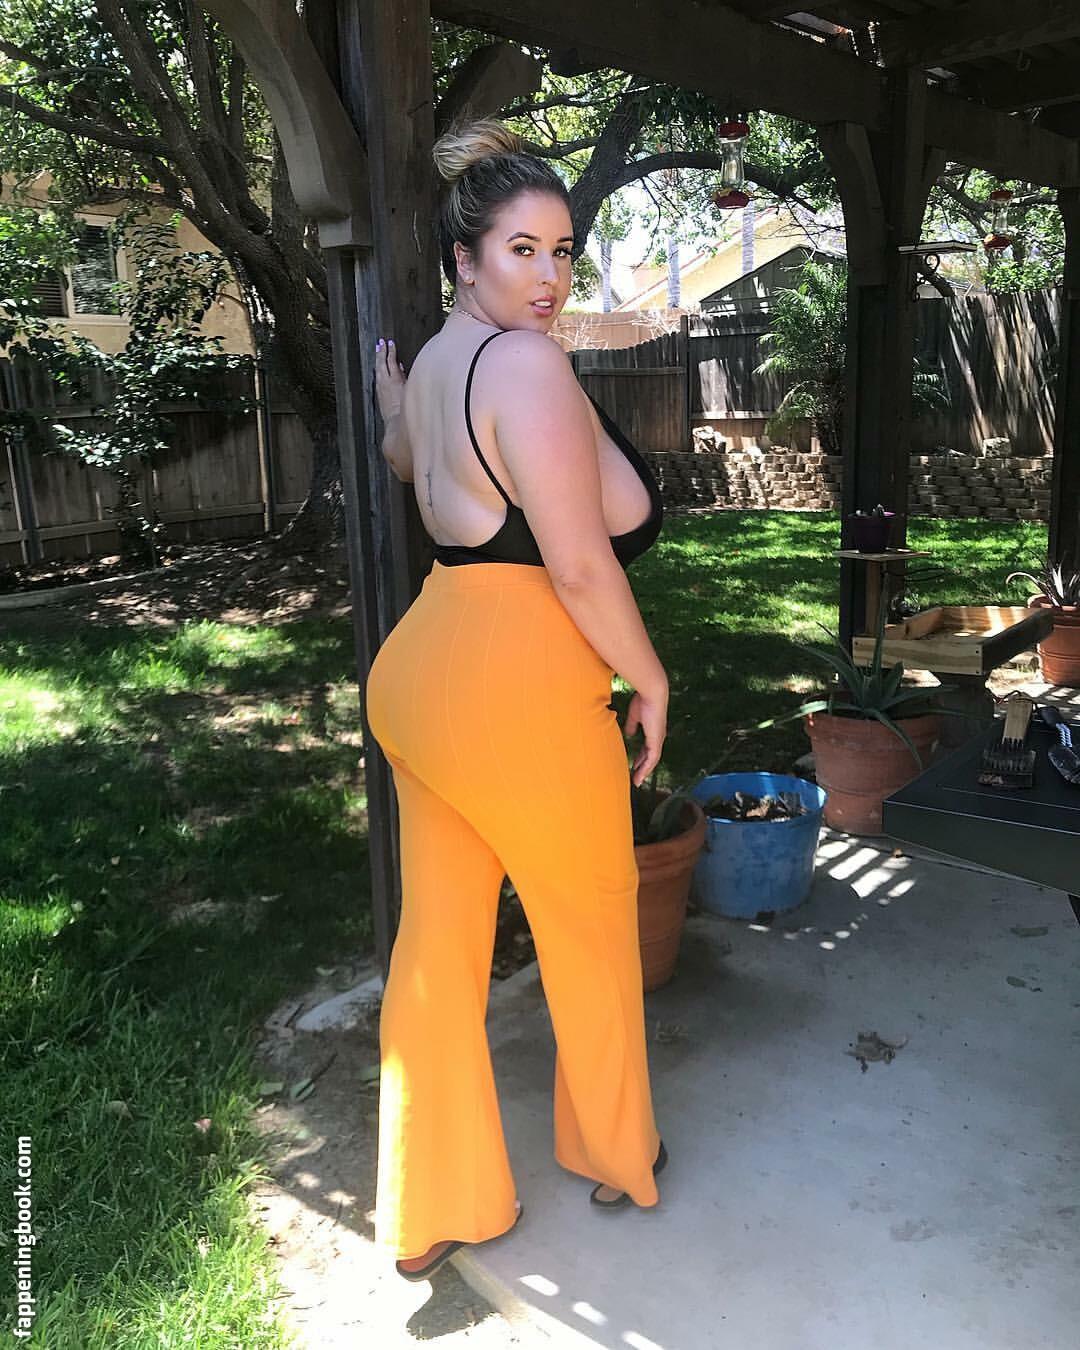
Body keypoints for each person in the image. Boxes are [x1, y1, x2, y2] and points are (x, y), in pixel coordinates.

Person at [365, 117, 670, 1283]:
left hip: (422, 678)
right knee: (591, 923)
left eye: (563, 252)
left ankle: (430, 1204)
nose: (549, 279)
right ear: (466, 258)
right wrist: (649, 676)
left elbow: (406, 459)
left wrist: (392, 400)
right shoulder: (528, 367)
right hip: (517, 692)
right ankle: (617, 1155)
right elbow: (581, 565)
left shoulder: (444, 363)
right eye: (522, 251)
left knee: (437, 946)